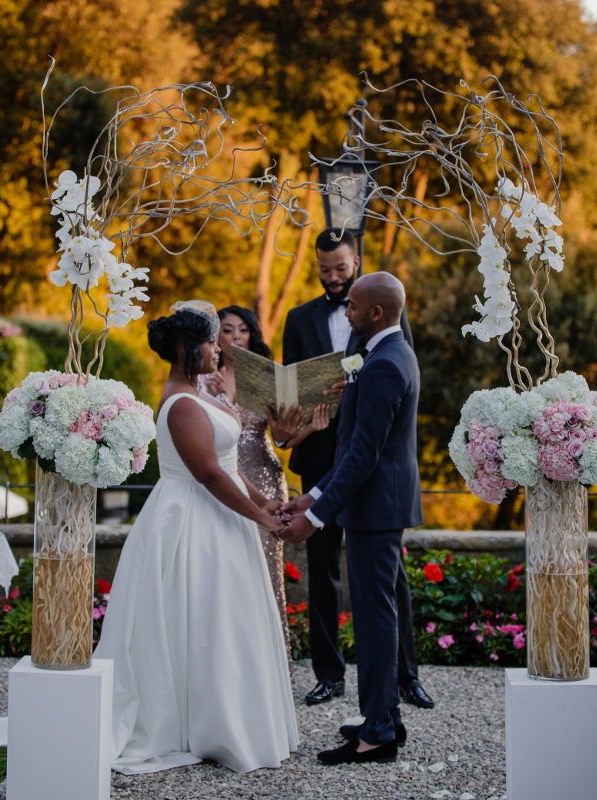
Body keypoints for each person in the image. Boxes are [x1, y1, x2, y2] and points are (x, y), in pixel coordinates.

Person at [94, 303, 298, 774]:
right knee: (202, 620)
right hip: (191, 522)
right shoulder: (181, 404)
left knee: (226, 621)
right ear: (189, 348)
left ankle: (234, 721)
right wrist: (263, 522)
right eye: (209, 341)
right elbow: (207, 474)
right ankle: (207, 726)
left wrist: (265, 504)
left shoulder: (201, 394)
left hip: (222, 519)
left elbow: (229, 464)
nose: (216, 348)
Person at [281, 228, 432, 711]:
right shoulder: (303, 320)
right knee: (341, 587)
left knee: (381, 601)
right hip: (330, 460)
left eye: (341, 271)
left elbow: (374, 439)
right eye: (324, 271)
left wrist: (316, 511)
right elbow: (290, 390)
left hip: (371, 481)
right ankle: (354, 699)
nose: (334, 283)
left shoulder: (386, 350)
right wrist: (315, 490)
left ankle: (390, 706)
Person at [200, 304, 330, 673]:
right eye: (228, 330)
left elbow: (283, 440)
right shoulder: (203, 376)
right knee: (224, 566)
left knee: (265, 573)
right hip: (221, 472)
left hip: (264, 473)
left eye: (243, 330)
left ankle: (270, 668)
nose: (237, 336)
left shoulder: (266, 376)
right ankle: (224, 665)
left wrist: (311, 428)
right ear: (216, 336)